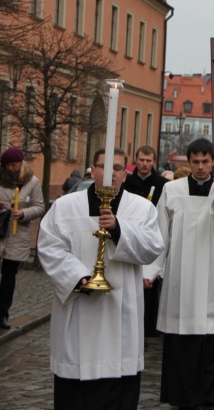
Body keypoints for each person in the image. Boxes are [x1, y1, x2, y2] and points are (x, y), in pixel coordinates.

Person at [37, 147, 163, 409]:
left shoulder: (141, 209)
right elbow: (49, 246)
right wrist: (78, 277)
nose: (111, 174)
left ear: (125, 173)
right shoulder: (65, 207)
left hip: (121, 312)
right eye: (104, 167)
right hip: (79, 309)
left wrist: (119, 229)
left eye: (117, 168)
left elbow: (152, 247)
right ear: (92, 170)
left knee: (116, 389)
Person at [144, 138, 214, 409]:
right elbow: (160, 234)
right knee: (181, 342)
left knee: (211, 341)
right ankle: (181, 394)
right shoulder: (171, 190)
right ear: (188, 162)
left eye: (206, 162)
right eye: (195, 162)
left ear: (213, 161)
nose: (201, 167)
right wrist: (152, 269)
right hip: (181, 277)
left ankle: (207, 394)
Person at [0, 148, 44, 329]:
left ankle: (2, 314)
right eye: (6, 165)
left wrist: (24, 213)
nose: (10, 168)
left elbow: (39, 206)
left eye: (13, 165)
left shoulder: (32, 181)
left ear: (21, 163)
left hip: (16, 233)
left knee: (9, 274)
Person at [122, 145, 170, 338]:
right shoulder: (127, 182)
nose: (144, 164)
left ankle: (148, 328)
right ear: (136, 160)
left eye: (149, 160)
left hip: (152, 235)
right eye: (141, 160)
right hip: (129, 235)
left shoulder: (162, 184)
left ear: (154, 162)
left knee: (149, 285)